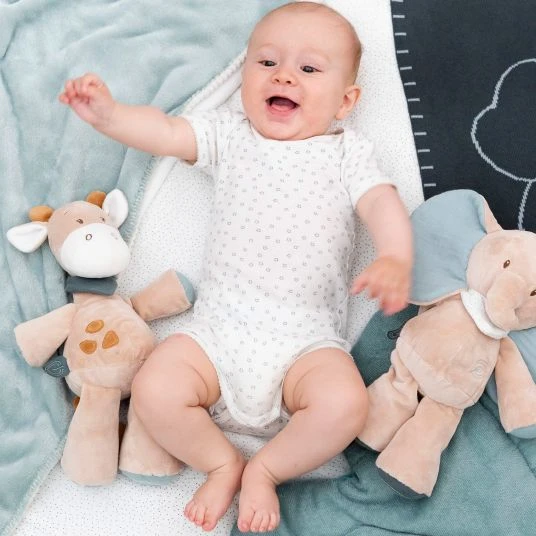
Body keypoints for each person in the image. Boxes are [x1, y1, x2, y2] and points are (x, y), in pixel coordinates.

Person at [59, 2, 413, 532]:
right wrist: (111, 116)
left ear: (346, 102)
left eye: (309, 68)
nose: (284, 75)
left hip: (305, 344)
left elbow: (382, 202)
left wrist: (395, 256)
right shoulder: (230, 136)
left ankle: (265, 470)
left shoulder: (347, 155)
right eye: (267, 62)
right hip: (217, 335)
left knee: (345, 403)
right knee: (154, 387)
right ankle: (222, 462)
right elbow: (166, 132)